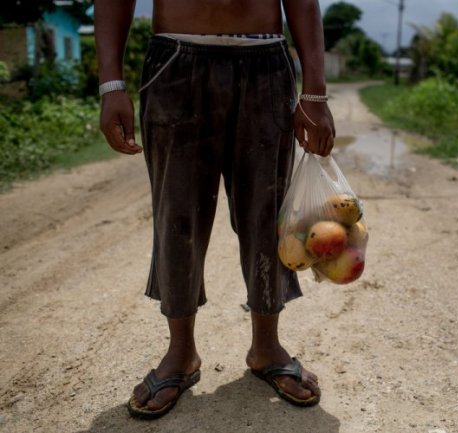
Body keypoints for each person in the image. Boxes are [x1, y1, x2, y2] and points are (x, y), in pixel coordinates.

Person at [95, 0, 335, 419]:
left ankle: (266, 347)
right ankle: (181, 353)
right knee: (178, 218)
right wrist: (110, 85)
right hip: (175, 62)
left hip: (266, 64)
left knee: (267, 215)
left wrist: (314, 91)